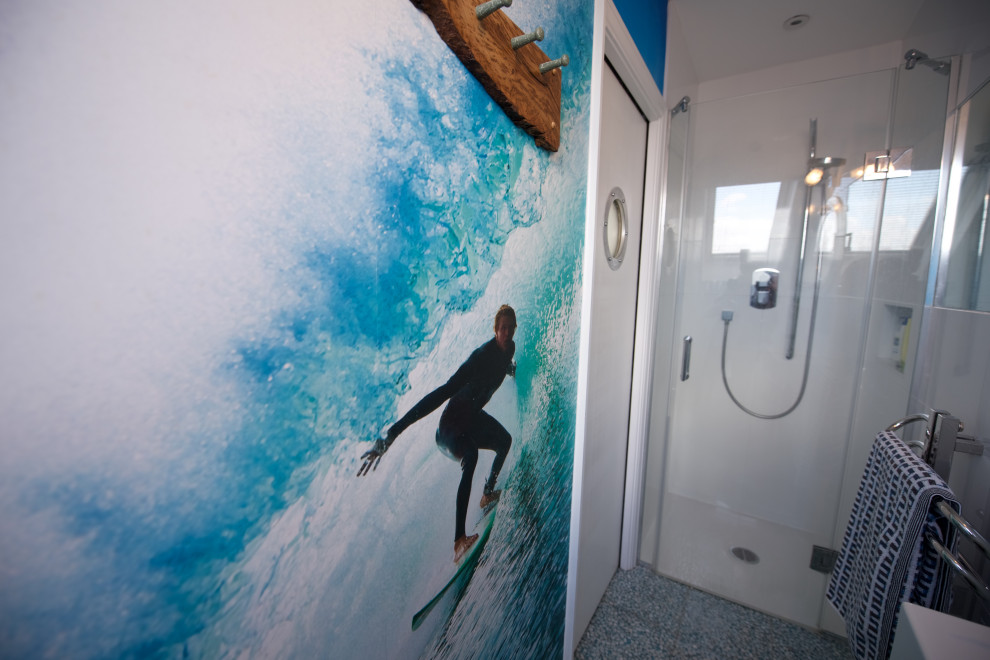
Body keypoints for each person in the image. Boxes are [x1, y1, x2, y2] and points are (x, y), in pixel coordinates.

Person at [357, 305, 517, 563]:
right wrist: (391, 435)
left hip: (471, 418)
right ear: (495, 330)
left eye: (511, 328)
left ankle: (487, 493)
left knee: (504, 441)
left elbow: (502, 366)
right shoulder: (480, 357)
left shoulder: (508, 349)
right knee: (472, 455)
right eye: (502, 328)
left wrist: (511, 371)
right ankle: (458, 541)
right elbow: (442, 393)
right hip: (450, 427)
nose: (507, 333)